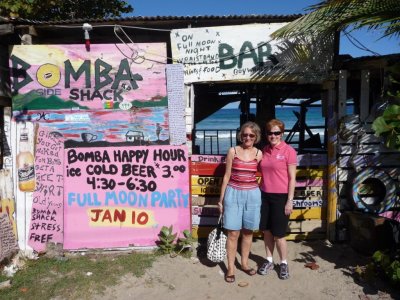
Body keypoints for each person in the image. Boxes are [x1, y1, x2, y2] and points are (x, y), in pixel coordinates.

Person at [218, 121, 263, 283]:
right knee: (233, 233)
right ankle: (231, 267)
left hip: (252, 195)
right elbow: (226, 176)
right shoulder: (233, 151)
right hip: (233, 193)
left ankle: (244, 263)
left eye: (251, 135)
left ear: (256, 136)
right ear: (240, 135)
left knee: (248, 231)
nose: (247, 137)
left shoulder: (259, 154)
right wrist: (221, 200)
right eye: (245, 134)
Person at [258, 119, 297, 280]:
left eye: (276, 133)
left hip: (281, 197)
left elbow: (292, 178)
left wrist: (290, 200)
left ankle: (283, 263)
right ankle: (268, 260)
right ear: (266, 134)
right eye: (270, 133)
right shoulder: (264, 150)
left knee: (279, 234)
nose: (273, 136)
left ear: (282, 133)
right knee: (266, 231)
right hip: (264, 195)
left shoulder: (289, 151)